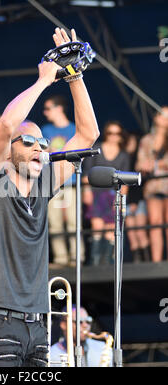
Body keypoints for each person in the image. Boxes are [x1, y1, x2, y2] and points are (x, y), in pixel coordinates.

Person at [0, 27, 99, 367]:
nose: (40, 149)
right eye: (30, 143)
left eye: (44, 144)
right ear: (9, 152)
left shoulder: (44, 186)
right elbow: (7, 125)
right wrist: (44, 79)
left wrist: (73, 75)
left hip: (38, 325)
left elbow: (87, 134)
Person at [42, 95, 84, 267]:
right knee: (55, 222)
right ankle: (61, 258)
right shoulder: (45, 130)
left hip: (72, 181)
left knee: (74, 221)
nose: (45, 113)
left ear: (59, 108)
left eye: (48, 108)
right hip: (53, 182)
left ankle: (77, 257)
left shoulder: (74, 129)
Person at [82, 121, 131, 265]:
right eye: (110, 133)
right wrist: (86, 191)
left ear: (121, 136)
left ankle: (109, 262)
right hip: (96, 193)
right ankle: (95, 261)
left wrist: (121, 200)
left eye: (117, 133)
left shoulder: (124, 155)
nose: (113, 137)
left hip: (113, 195)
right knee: (97, 227)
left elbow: (126, 181)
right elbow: (87, 174)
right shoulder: (97, 149)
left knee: (111, 229)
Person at [136, 106, 168, 262]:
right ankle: (156, 261)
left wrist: (159, 164)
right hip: (153, 186)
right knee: (155, 223)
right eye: (161, 114)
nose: (163, 117)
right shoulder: (147, 140)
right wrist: (144, 166)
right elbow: (139, 164)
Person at [125, 134, 151, 263]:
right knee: (131, 234)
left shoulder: (138, 160)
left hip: (138, 200)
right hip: (128, 200)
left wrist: (135, 201)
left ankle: (147, 261)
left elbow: (139, 185)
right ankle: (138, 261)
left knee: (140, 232)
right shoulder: (123, 159)